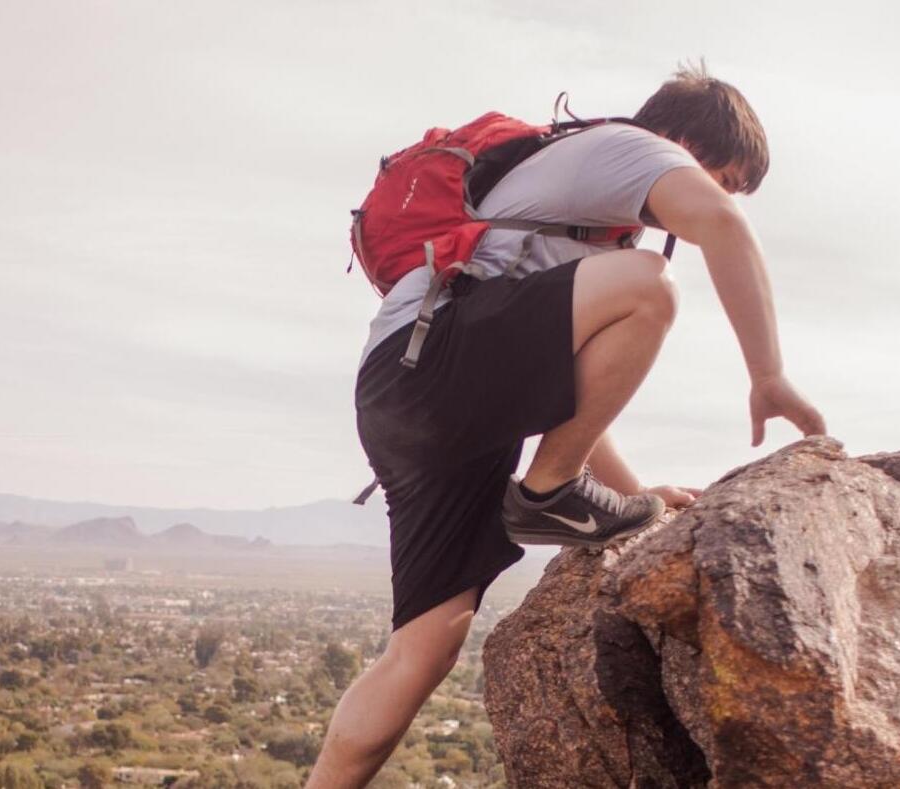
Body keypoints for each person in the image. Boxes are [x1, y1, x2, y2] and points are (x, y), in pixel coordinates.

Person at [307, 63, 827, 788]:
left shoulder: (587, 229)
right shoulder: (633, 149)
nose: (721, 193)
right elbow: (721, 226)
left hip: (411, 402)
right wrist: (767, 373)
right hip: (437, 366)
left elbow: (574, 400)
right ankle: (549, 491)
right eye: (725, 173)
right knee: (653, 286)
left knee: (421, 651)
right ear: (681, 138)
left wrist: (637, 492)